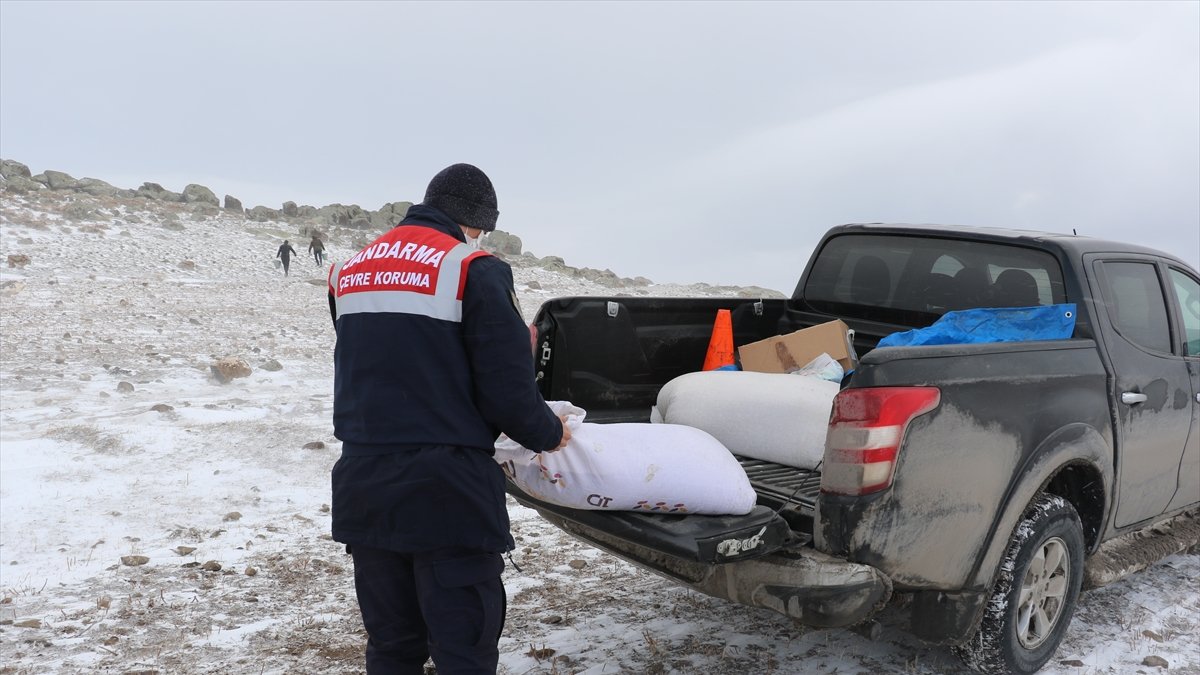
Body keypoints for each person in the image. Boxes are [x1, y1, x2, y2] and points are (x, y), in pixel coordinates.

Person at [326, 163, 571, 674]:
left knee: (392, 647)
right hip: (446, 490)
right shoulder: (472, 268)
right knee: (463, 649)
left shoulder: (349, 271)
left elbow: (380, 360)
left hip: (364, 485)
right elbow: (507, 391)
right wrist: (551, 432)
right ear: (477, 220)